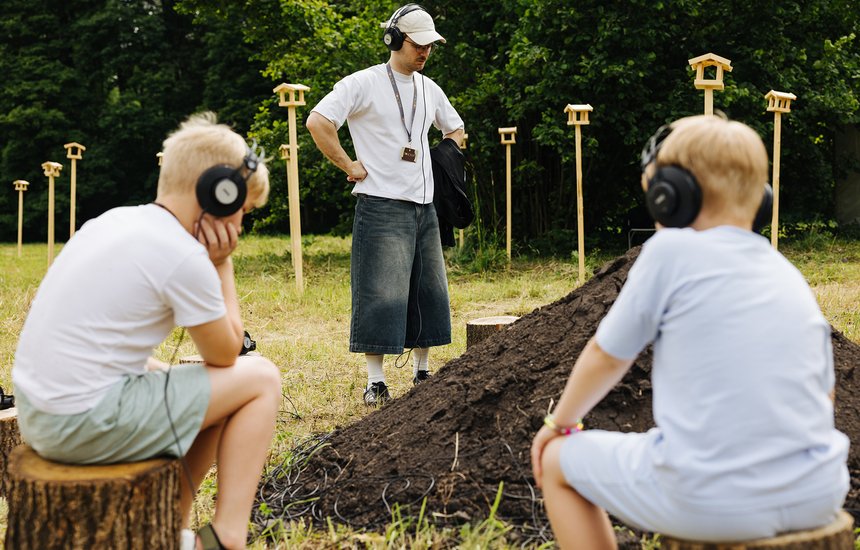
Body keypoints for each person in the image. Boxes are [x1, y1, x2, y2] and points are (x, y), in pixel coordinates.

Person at [530, 115, 849, 548]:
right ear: (762, 199)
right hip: (818, 492)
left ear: (671, 196)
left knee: (556, 462)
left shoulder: (671, 250)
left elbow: (608, 355)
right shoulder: (784, 271)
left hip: (713, 501)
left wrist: (560, 423)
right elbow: (824, 394)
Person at [13, 112, 282, 550]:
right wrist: (222, 264)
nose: (240, 227)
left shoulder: (114, 222)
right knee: (260, 379)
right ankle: (227, 536)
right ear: (218, 196)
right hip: (80, 422)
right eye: (243, 213)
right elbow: (226, 353)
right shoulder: (183, 256)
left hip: (42, 413)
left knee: (211, 393)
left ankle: (164, 525)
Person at [306, 4, 465, 405]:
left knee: (429, 290)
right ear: (394, 40)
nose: (425, 52)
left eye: (431, 45)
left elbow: (456, 128)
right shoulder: (363, 83)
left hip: (424, 205)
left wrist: (444, 156)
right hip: (380, 204)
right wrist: (349, 164)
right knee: (380, 293)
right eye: (418, 44)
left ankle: (423, 371)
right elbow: (318, 121)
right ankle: (375, 380)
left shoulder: (430, 89)